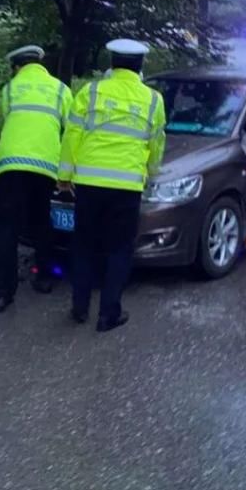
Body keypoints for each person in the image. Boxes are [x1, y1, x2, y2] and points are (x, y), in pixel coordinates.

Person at [59, 39, 166, 332]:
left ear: (111, 63)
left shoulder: (91, 91)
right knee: (119, 249)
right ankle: (109, 314)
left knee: (83, 245)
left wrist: (64, 175)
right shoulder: (153, 99)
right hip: (128, 185)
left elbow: (72, 135)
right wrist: (150, 173)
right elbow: (156, 143)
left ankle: (79, 308)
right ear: (141, 66)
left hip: (89, 182)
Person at [0, 45, 72, 313]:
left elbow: (7, 119)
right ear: (41, 62)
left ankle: (2, 292)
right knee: (41, 222)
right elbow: (69, 129)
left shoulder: (10, 89)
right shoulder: (61, 89)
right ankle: (44, 277)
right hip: (45, 166)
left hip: (9, 165)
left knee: (6, 228)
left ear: (16, 67)